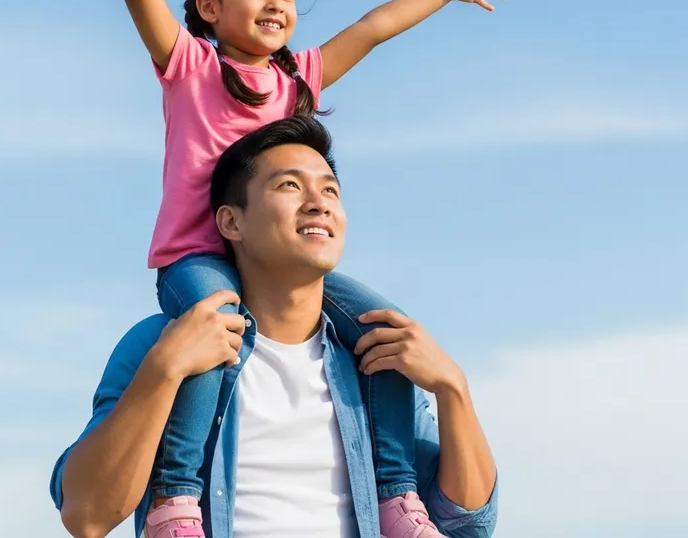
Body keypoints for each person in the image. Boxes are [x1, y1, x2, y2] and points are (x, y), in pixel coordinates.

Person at [7, 0, 513, 538]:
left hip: (259, 268)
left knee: (386, 330)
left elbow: (372, 29)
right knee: (213, 338)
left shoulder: (297, 81)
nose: (276, 2)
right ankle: (176, 500)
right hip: (196, 256)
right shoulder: (191, 66)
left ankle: (397, 493)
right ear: (209, 6)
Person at [51, 117, 498, 538]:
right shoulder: (162, 343)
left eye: (330, 190)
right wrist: (164, 371)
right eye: (289, 185)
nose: (318, 203)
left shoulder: (375, 362)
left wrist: (453, 388)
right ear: (232, 222)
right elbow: (87, 516)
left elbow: (467, 523)